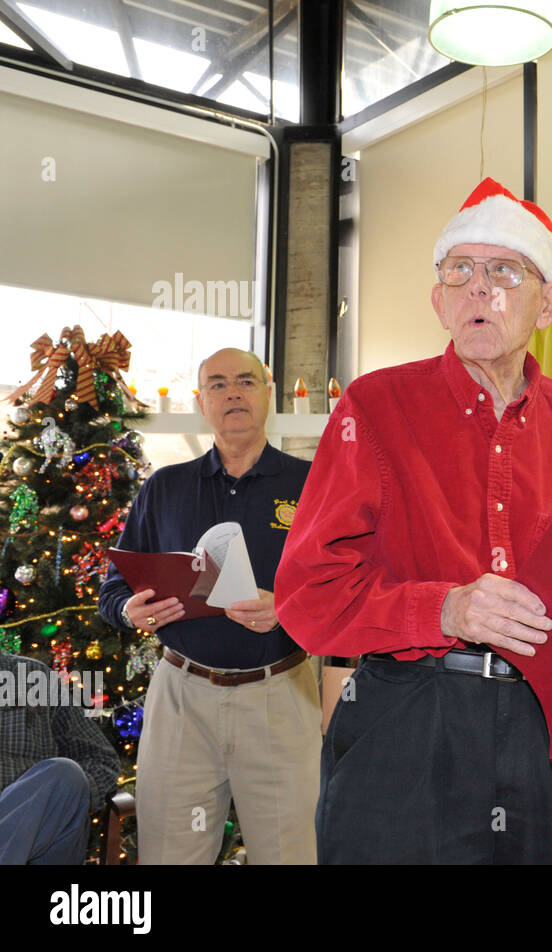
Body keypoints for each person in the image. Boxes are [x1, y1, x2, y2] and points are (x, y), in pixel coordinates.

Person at [274, 177, 552, 864]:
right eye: (460, 271)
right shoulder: (374, 408)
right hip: (408, 726)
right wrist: (446, 609)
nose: (478, 288)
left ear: (549, 304)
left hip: (551, 732)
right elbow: (307, 595)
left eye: (504, 271)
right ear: (439, 300)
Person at [98, 348, 319, 864]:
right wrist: (130, 611)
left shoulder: (312, 484)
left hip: (280, 695)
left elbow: (345, 585)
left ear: (268, 393)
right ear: (203, 402)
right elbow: (113, 592)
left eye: (246, 381)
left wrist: (287, 606)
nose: (233, 392)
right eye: (217, 385)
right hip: (181, 697)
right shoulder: (164, 488)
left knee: (292, 854)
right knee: (169, 855)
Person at [0, 652, 119, 864]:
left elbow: (102, 759)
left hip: (43, 840)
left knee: (67, 774)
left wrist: (60, 800)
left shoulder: (33, 676)